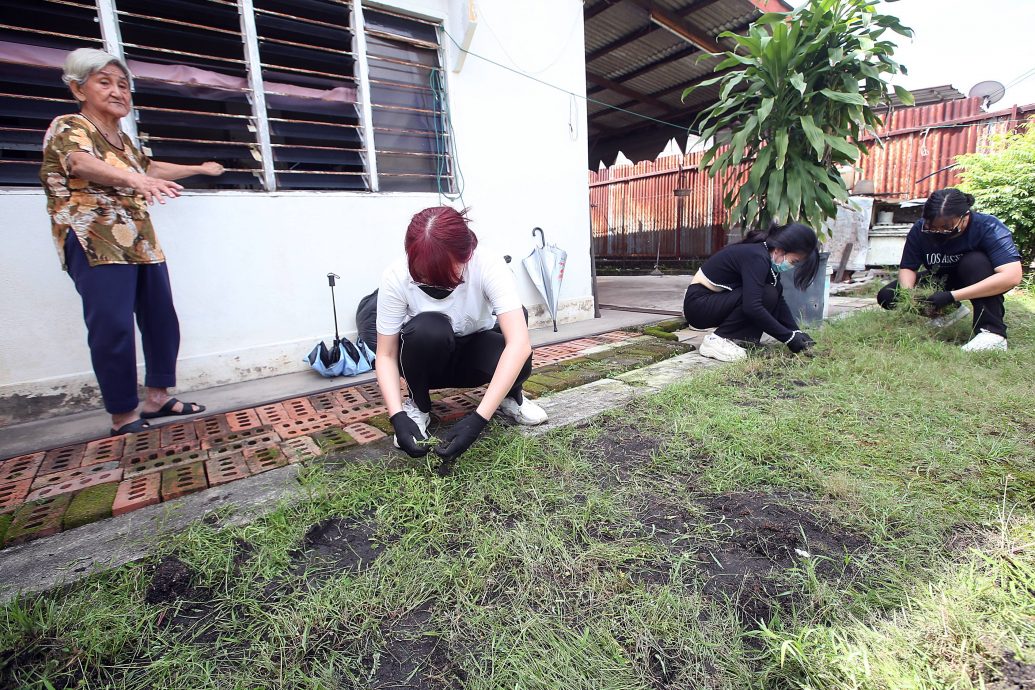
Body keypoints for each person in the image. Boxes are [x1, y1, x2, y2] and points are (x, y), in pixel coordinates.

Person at [41, 48, 225, 435]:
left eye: (123, 84)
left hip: (139, 240)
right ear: (78, 89)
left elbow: (148, 167)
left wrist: (198, 168)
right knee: (113, 326)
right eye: (104, 82)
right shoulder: (70, 126)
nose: (117, 91)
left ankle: (157, 396)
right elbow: (80, 164)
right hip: (95, 240)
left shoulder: (121, 139)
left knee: (161, 318)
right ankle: (123, 414)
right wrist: (136, 181)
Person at [375, 207, 548, 473]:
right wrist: (396, 415)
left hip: (474, 354)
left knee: (516, 329)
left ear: (466, 255)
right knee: (427, 327)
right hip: (428, 360)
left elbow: (519, 344)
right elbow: (386, 354)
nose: (434, 284)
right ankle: (418, 407)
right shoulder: (396, 276)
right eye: (423, 276)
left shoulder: (487, 264)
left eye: (447, 278)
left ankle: (510, 398)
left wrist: (479, 419)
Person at [876, 188, 1023, 351]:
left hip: (975, 275)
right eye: (932, 227)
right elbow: (908, 268)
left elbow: (1012, 276)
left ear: (965, 216)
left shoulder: (988, 226)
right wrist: (910, 295)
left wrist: (952, 296)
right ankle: (949, 314)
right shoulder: (920, 230)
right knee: (889, 295)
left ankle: (992, 333)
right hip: (942, 278)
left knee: (975, 261)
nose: (938, 231)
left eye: (946, 227)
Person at [682, 222, 820, 361]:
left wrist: (796, 332)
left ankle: (740, 340)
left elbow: (778, 300)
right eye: (794, 261)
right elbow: (752, 306)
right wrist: (788, 338)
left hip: (715, 300)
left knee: (771, 293)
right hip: (698, 305)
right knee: (764, 294)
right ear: (779, 249)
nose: (791, 266)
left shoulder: (766, 259)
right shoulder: (757, 257)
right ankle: (716, 340)